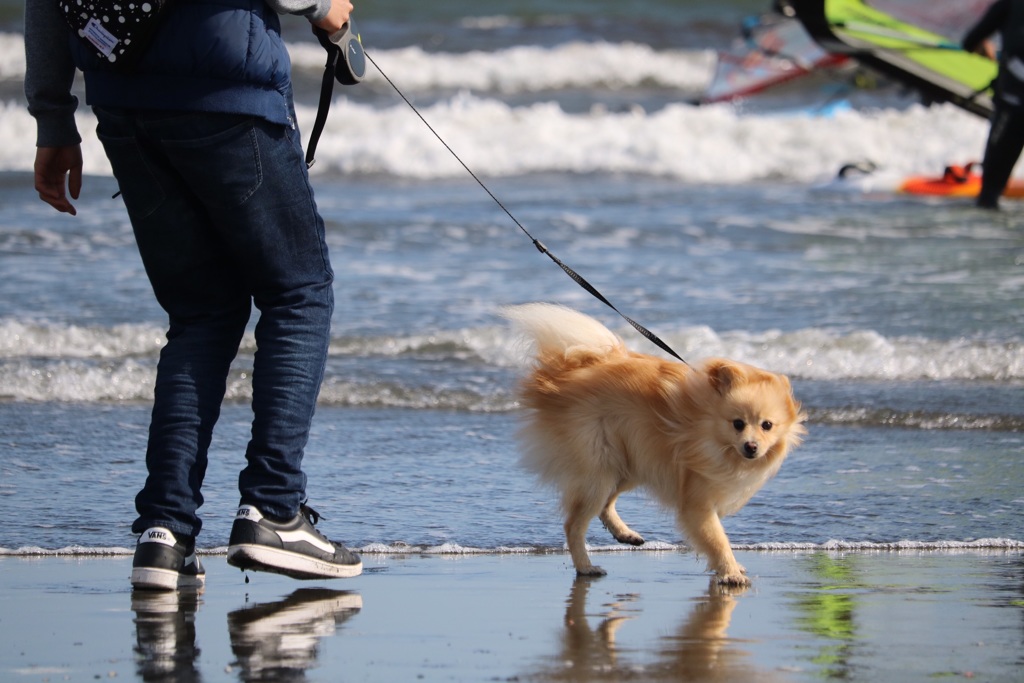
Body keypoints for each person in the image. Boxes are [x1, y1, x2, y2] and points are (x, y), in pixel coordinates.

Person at [25, 0, 363, 590]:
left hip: (125, 97)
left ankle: (164, 532)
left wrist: (53, 118)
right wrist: (320, 7)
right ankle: (273, 508)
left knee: (200, 313)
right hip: (223, 81)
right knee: (299, 293)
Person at [963, 0, 1024, 209]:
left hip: (1013, 106)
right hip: (1013, 102)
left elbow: (970, 42)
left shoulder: (1009, 5)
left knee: (989, 194)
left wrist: (985, 48)